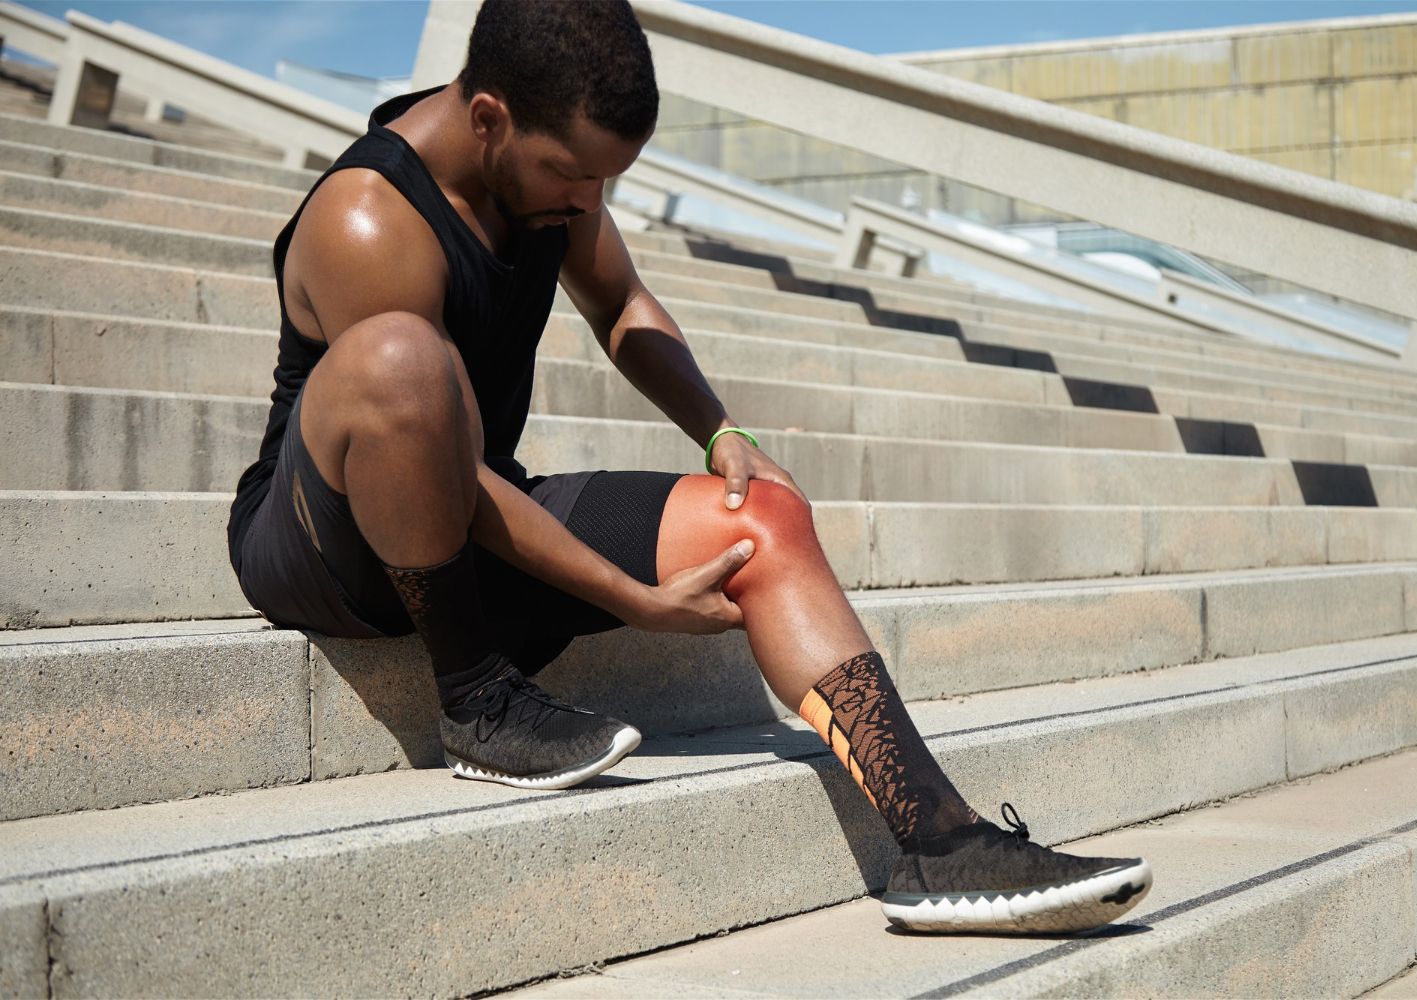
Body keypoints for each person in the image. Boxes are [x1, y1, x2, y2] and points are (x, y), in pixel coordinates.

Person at [224, 0, 1151, 934]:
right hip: (326, 546)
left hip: (481, 507)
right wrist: (632, 599)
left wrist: (719, 432)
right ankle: (476, 701)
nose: (589, 203)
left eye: (607, 179)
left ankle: (942, 843)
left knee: (766, 520)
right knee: (401, 363)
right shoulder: (368, 216)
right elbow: (444, 470)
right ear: (490, 118)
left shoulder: (545, 177)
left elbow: (622, 303)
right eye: (572, 174)